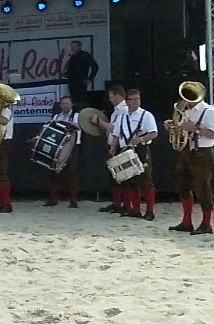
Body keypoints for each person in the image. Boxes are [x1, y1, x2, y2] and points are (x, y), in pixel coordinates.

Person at [165, 92, 214, 235]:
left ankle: (206, 224)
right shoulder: (186, 111)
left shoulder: (209, 111)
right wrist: (173, 126)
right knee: (182, 185)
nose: (185, 99)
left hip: (202, 152)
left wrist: (195, 129)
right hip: (187, 150)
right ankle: (187, 222)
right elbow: (182, 129)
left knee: (202, 187)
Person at [109, 89, 158, 220]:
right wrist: (113, 147)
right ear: (127, 101)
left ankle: (150, 211)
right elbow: (116, 133)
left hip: (141, 149)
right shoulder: (122, 116)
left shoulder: (146, 115)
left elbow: (154, 133)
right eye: (133, 99)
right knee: (130, 181)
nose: (136, 101)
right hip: (126, 149)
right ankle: (135, 210)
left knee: (146, 180)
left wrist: (141, 139)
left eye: (138, 99)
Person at [43, 96, 81, 208]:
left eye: (67, 103)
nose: (65, 106)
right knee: (53, 172)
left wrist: (71, 125)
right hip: (58, 147)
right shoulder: (56, 116)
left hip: (72, 147)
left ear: (71, 105)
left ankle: (73, 200)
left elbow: (79, 127)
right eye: (63, 104)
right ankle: (53, 198)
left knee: (71, 173)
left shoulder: (76, 116)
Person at [97, 85, 129, 213]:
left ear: (117, 95)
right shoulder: (117, 110)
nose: (110, 99)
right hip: (115, 144)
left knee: (122, 176)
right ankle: (116, 203)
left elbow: (114, 129)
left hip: (120, 145)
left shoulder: (123, 110)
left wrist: (100, 122)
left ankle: (124, 204)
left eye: (111, 96)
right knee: (115, 176)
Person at [64, 40, 99, 106]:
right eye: (71, 46)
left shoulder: (85, 56)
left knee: (82, 102)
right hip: (72, 84)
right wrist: (66, 74)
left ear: (79, 47)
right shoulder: (72, 58)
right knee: (74, 101)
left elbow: (95, 67)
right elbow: (71, 72)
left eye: (74, 46)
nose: (72, 48)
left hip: (81, 83)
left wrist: (90, 78)